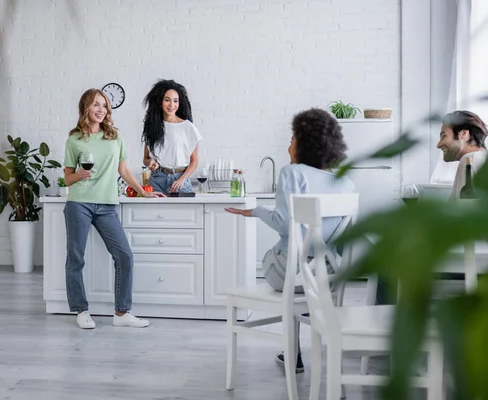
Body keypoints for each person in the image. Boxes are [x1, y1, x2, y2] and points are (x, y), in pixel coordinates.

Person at [225, 108, 356, 373]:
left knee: (280, 259)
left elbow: (283, 224)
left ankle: (293, 352)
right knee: (301, 271)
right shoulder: (347, 184)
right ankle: (301, 338)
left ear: (303, 143)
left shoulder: (292, 173)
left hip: (289, 273)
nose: (289, 146)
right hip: (327, 274)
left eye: (292, 139)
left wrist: (256, 212)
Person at [63, 88, 165, 330]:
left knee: (124, 255)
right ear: (85, 108)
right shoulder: (74, 139)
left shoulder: (114, 136)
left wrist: (143, 191)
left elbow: (124, 170)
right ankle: (81, 310)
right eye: (96, 105)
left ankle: (121, 313)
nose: (101, 110)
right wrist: (78, 174)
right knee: (75, 258)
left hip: (107, 205)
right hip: (79, 203)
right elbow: (67, 179)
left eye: (105, 105)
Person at [141, 79, 201, 195]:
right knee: (153, 213)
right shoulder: (153, 127)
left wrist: (182, 179)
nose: (172, 105)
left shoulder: (187, 127)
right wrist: (150, 163)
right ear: (160, 102)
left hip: (179, 180)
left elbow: (194, 161)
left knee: (180, 213)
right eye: (167, 100)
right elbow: (146, 158)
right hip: (157, 179)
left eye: (175, 101)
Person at [436, 110, 488, 200]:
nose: (438, 145)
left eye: (443, 136)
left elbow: (459, 212)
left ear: (463, 134)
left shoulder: (469, 159)